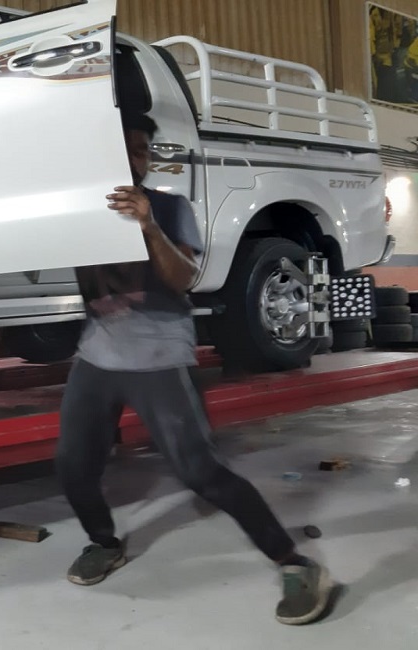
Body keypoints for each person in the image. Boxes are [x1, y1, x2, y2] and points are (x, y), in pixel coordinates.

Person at [57, 111, 334, 626]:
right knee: (73, 467)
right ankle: (104, 543)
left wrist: (148, 225)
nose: (135, 160)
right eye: (125, 149)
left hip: (159, 355)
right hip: (96, 355)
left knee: (200, 471)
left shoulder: (168, 207)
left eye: (142, 151)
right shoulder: (78, 209)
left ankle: (294, 563)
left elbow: (183, 278)